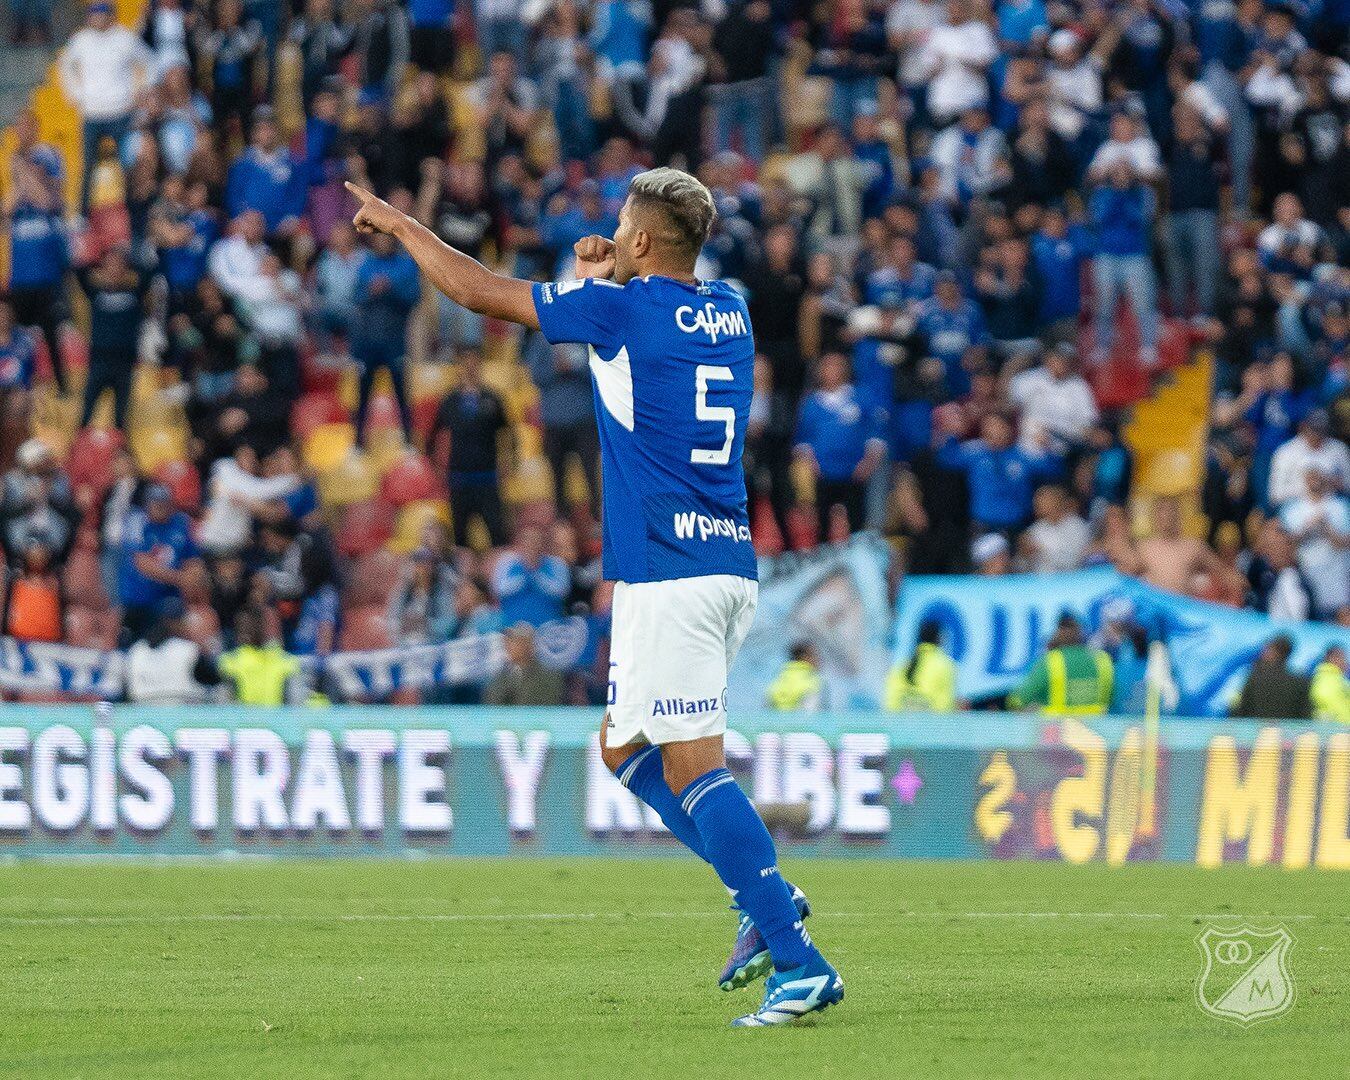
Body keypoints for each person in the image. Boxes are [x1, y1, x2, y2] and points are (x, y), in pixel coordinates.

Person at [345, 166, 843, 1025]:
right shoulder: (731, 307)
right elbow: (660, 297)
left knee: (691, 766)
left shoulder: (616, 310)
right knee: (623, 748)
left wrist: (402, 223)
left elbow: (477, 291)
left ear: (643, 240)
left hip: (669, 570)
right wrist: (615, 266)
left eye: (622, 223)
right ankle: (767, 899)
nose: (610, 229)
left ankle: (795, 955)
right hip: (723, 562)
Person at [58, 1, 153, 208]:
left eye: (102, 13)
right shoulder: (80, 39)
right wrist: (76, 96)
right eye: (94, 14)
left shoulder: (125, 38)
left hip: (121, 111)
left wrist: (141, 93)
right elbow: (65, 66)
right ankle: (84, 214)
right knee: (88, 167)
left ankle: (130, 211)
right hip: (92, 113)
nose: (97, 18)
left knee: (126, 166)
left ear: (111, 15)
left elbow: (149, 62)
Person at [1009, 614, 1113, 716]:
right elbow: (1116, 702)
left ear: (1057, 633)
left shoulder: (1050, 661)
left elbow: (1017, 700)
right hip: (1096, 731)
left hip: (1057, 730)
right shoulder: (1103, 660)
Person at [125, 597, 221, 704]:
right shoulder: (189, 649)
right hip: (180, 713)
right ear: (175, 623)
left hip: (141, 714)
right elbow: (215, 681)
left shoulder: (137, 650)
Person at [217, 607, 303, 706]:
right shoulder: (230, 662)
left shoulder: (288, 663)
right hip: (242, 720)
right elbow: (223, 708)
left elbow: (296, 707)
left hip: (278, 720)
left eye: (273, 625)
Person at [482, 624, 566, 706]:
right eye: (507, 641)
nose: (507, 646)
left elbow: (545, 705)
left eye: (514, 641)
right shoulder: (502, 673)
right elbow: (490, 701)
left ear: (529, 645)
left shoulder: (548, 674)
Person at [884, 620, 957, 712]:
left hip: (901, 724)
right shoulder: (945, 665)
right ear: (939, 638)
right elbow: (945, 705)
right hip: (930, 725)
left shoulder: (902, 665)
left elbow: (891, 702)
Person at [1232, 635, 1311, 720]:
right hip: (1287, 731)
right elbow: (1305, 714)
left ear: (1275, 652)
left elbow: (1241, 709)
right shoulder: (1301, 681)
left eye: (1267, 650)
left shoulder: (1255, 677)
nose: (1263, 653)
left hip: (1257, 731)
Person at [765, 642, 825, 712]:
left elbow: (766, 710)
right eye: (815, 655)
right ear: (805, 657)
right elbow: (810, 714)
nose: (819, 659)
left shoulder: (778, 680)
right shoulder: (813, 682)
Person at [1310, 646, 1350, 724]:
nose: (1346, 662)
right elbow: (1324, 697)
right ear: (1332, 658)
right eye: (1343, 658)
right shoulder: (1328, 679)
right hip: (1337, 730)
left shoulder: (1338, 678)